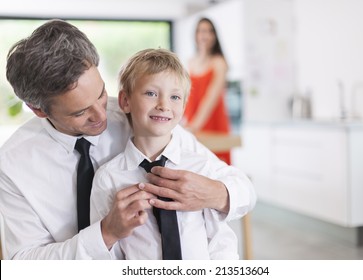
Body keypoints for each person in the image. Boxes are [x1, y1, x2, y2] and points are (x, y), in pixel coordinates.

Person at [0, 19, 256, 259]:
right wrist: (105, 234)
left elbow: (239, 188)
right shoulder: (13, 165)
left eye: (101, 94)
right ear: (39, 110)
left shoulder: (141, 117)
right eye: (80, 112)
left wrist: (216, 193)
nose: (101, 116)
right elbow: (25, 261)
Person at [90, 48, 239, 260]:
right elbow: (107, 254)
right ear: (125, 101)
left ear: (184, 105)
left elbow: (221, 241)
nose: (164, 105)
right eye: (151, 93)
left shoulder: (201, 168)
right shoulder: (108, 178)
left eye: (175, 97)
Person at [183, 17, 232, 164]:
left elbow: (211, 98)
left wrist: (194, 126)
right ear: (196, 35)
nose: (206, 35)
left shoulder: (219, 62)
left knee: (216, 165)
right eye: (202, 31)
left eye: (210, 31)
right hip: (191, 122)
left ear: (215, 36)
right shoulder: (190, 62)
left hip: (212, 123)